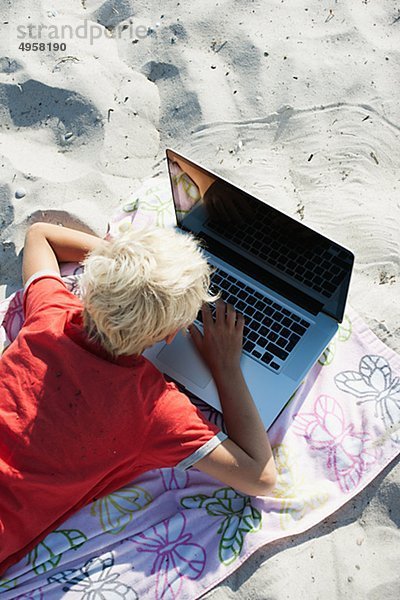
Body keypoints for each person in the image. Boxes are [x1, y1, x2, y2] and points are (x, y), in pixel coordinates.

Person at [0, 222, 276, 575]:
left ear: (92, 284)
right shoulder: (155, 412)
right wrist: (226, 368)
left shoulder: (50, 316)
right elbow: (260, 476)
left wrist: (124, 265)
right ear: (170, 334)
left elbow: (40, 234)